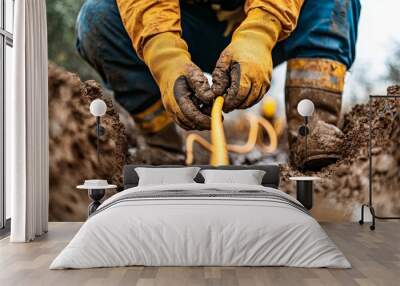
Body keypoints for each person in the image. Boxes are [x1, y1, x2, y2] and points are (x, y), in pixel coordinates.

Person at [75, 0, 360, 167]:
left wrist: (260, 31)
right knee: (97, 17)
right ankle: (165, 146)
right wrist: (164, 54)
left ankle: (312, 126)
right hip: (187, 26)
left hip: (272, 20)